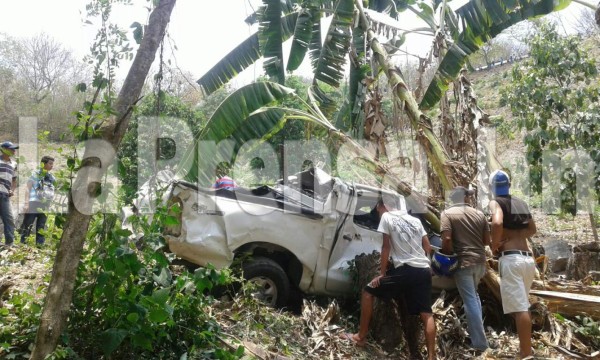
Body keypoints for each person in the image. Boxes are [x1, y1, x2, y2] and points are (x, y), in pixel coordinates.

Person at [343, 194, 437, 360]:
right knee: (426, 313)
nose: (378, 214)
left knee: (368, 292)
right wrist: (428, 265)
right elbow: (428, 247)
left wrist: (382, 274)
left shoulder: (386, 217)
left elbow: (386, 247)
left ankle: (360, 337)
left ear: (382, 206)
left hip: (406, 270)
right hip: (423, 270)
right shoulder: (415, 220)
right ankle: (431, 357)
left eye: (378, 210)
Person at [488, 170, 537, 359]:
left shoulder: (495, 202)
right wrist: (515, 235)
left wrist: (494, 245)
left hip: (512, 260)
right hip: (527, 260)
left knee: (519, 309)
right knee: (523, 305)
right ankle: (526, 350)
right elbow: (532, 229)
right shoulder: (520, 203)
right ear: (509, 185)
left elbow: (497, 222)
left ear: (492, 187)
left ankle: (525, 354)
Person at [440, 186, 491, 351]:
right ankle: (480, 336)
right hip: (480, 263)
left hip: (463, 263)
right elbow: (486, 241)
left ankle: (480, 344)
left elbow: (446, 239)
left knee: (470, 301)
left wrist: (447, 256)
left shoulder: (447, 214)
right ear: (466, 198)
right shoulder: (479, 214)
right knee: (474, 297)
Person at [20, 156, 56, 246]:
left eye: (52, 164)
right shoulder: (35, 174)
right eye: (50, 163)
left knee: (41, 226)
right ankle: (23, 244)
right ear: (43, 164)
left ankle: (40, 246)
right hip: (33, 202)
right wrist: (26, 203)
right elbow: (28, 188)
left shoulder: (52, 178)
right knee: (28, 223)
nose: (52, 166)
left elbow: (52, 192)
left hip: (45, 204)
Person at [0, 141, 18, 246]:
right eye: (11, 149)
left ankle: (9, 243)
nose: (14, 151)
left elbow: (14, 180)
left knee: (9, 218)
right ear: (4, 149)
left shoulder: (14, 164)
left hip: (5, 194)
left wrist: (12, 190)